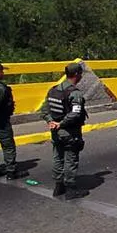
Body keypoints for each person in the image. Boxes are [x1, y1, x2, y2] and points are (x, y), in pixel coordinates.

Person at [40, 63, 89, 199]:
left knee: (57, 156)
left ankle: (58, 185)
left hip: (56, 131)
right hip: (69, 131)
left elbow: (44, 110)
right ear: (77, 75)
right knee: (71, 158)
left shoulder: (53, 90)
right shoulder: (74, 93)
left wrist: (51, 122)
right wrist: (60, 124)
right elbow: (75, 114)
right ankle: (70, 188)